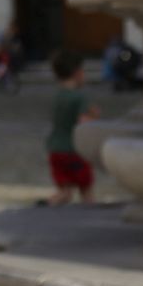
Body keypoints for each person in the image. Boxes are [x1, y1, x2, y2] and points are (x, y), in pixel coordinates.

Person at [44, 50, 99, 207]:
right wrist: (94, 115)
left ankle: (46, 206)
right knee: (86, 191)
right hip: (75, 151)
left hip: (55, 149)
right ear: (77, 72)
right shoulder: (79, 97)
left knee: (65, 192)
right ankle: (90, 217)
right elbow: (84, 123)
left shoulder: (57, 96)